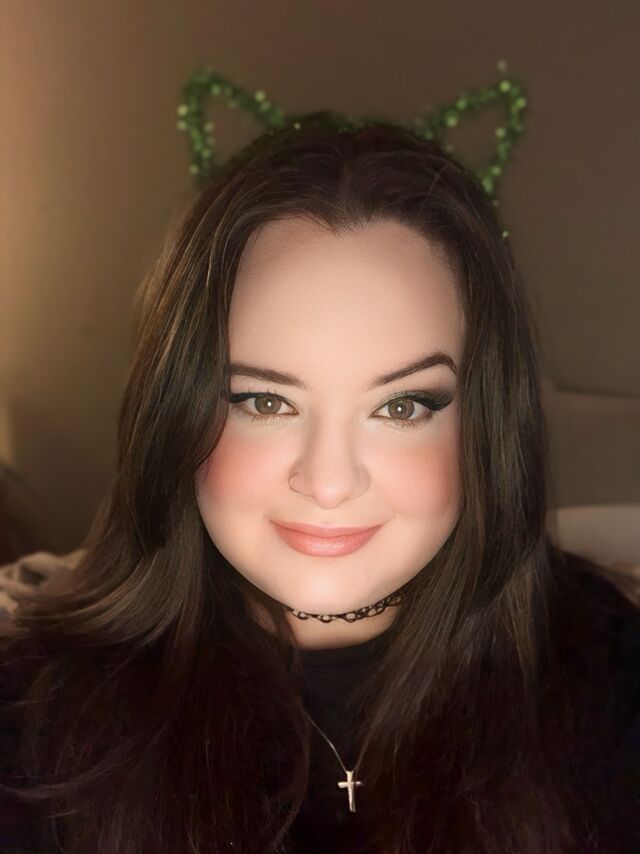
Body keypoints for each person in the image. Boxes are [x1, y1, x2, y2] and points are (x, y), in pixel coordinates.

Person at [0, 122, 638, 853]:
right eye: (265, 402)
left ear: (486, 427)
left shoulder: (610, 686)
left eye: (402, 407)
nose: (329, 483)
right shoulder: (33, 724)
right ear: (176, 412)